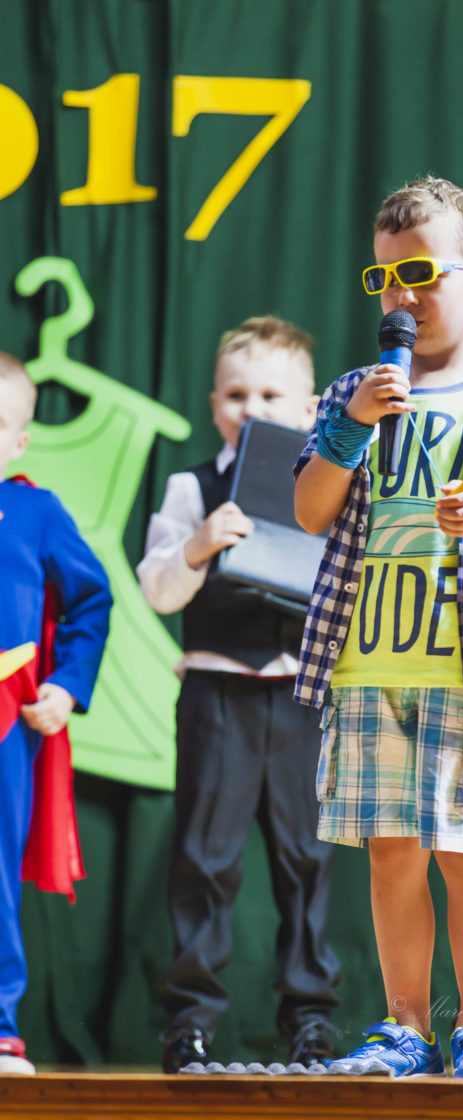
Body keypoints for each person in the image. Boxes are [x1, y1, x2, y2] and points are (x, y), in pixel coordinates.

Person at [293, 177, 463, 1082]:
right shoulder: (353, 394)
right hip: (369, 667)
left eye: (419, 273)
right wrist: (351, 425)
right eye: (383, 278)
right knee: (391, 857)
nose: (399, 296)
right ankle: (405, 1025)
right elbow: (309, 510)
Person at [137, 316, 341, 1073]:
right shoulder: (193, 486)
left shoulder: (332, 486)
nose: (251, 407)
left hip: (301, 695)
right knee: (204, 858)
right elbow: (157, 590)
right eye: (235, 394)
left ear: (311, 407)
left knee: (308, 860)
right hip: (217, 692)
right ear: (214, 403)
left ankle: (312, 1020)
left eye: (270, 394)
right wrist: (196, 548)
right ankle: (190, 1022)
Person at [0, 352, 112, 1075]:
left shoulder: (36, 512)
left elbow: (91, 602)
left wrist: (66, 687)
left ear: (19, 440)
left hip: (6, 723)